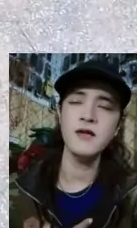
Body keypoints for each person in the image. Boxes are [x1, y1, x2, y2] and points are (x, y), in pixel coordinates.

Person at [9, 59, 137, 228]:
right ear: (60, 114)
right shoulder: (15, 196)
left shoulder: (131, 199)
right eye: (76, 101)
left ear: (117, 127)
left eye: (105, 106)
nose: (88, 116)